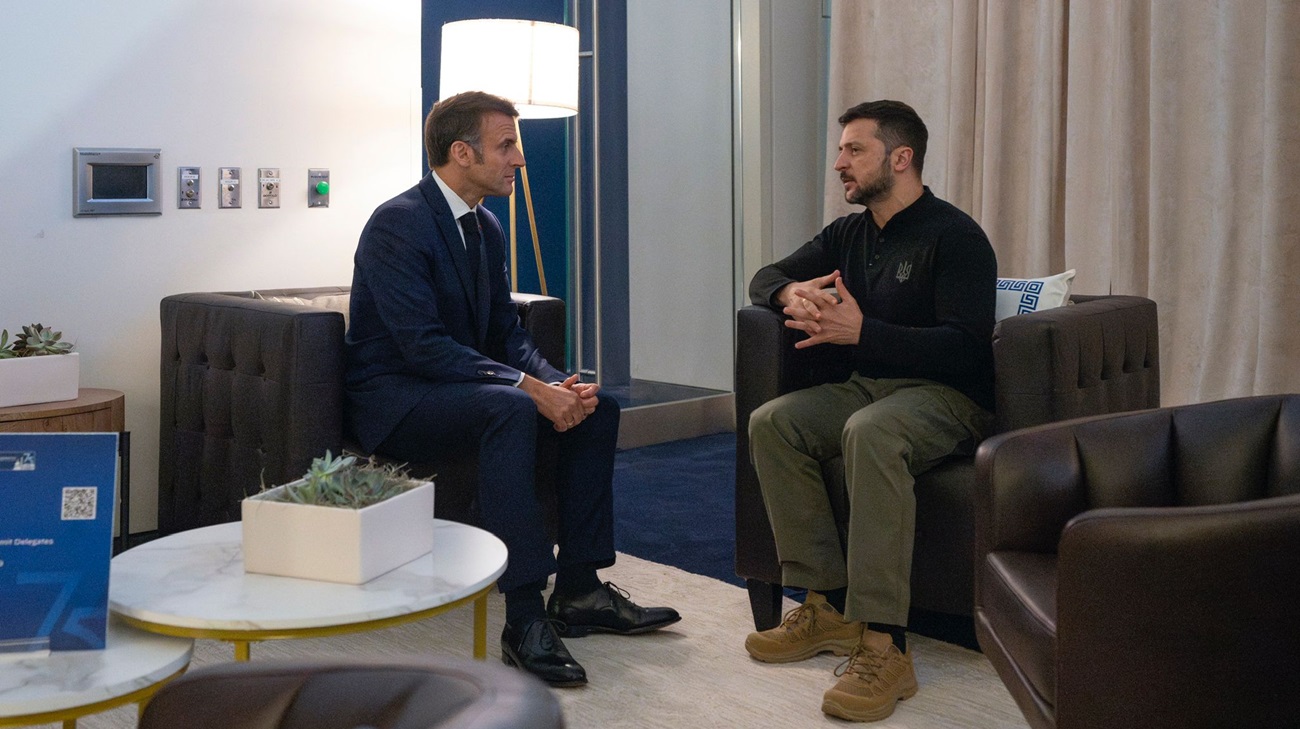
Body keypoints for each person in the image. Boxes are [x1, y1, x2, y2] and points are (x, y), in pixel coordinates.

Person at [344, 90, 680, 688]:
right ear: (461, 153)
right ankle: (523, 617)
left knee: (597, 409)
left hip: (462, 390)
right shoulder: (398, 223)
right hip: (397, 399)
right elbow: (422, 347)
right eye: (506, 146)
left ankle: (579, 589)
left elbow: (505, 331)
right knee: (511, 410)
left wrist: (555, 383)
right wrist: (528, 389)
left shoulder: (487, 225)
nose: (519, 159)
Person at [743, 100, 996, 722]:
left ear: (901, 158)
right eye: (842, 150)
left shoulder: (958, 237)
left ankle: (887, 644)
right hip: (868, 386)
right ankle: (828, 606)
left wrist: (864, 334)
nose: (840, 163)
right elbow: (764, 276)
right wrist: (789, 290)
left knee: (871, 432)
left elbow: (966, 348)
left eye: (855, 150)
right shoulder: (846, 235)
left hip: (947, 396)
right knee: (774, 423)